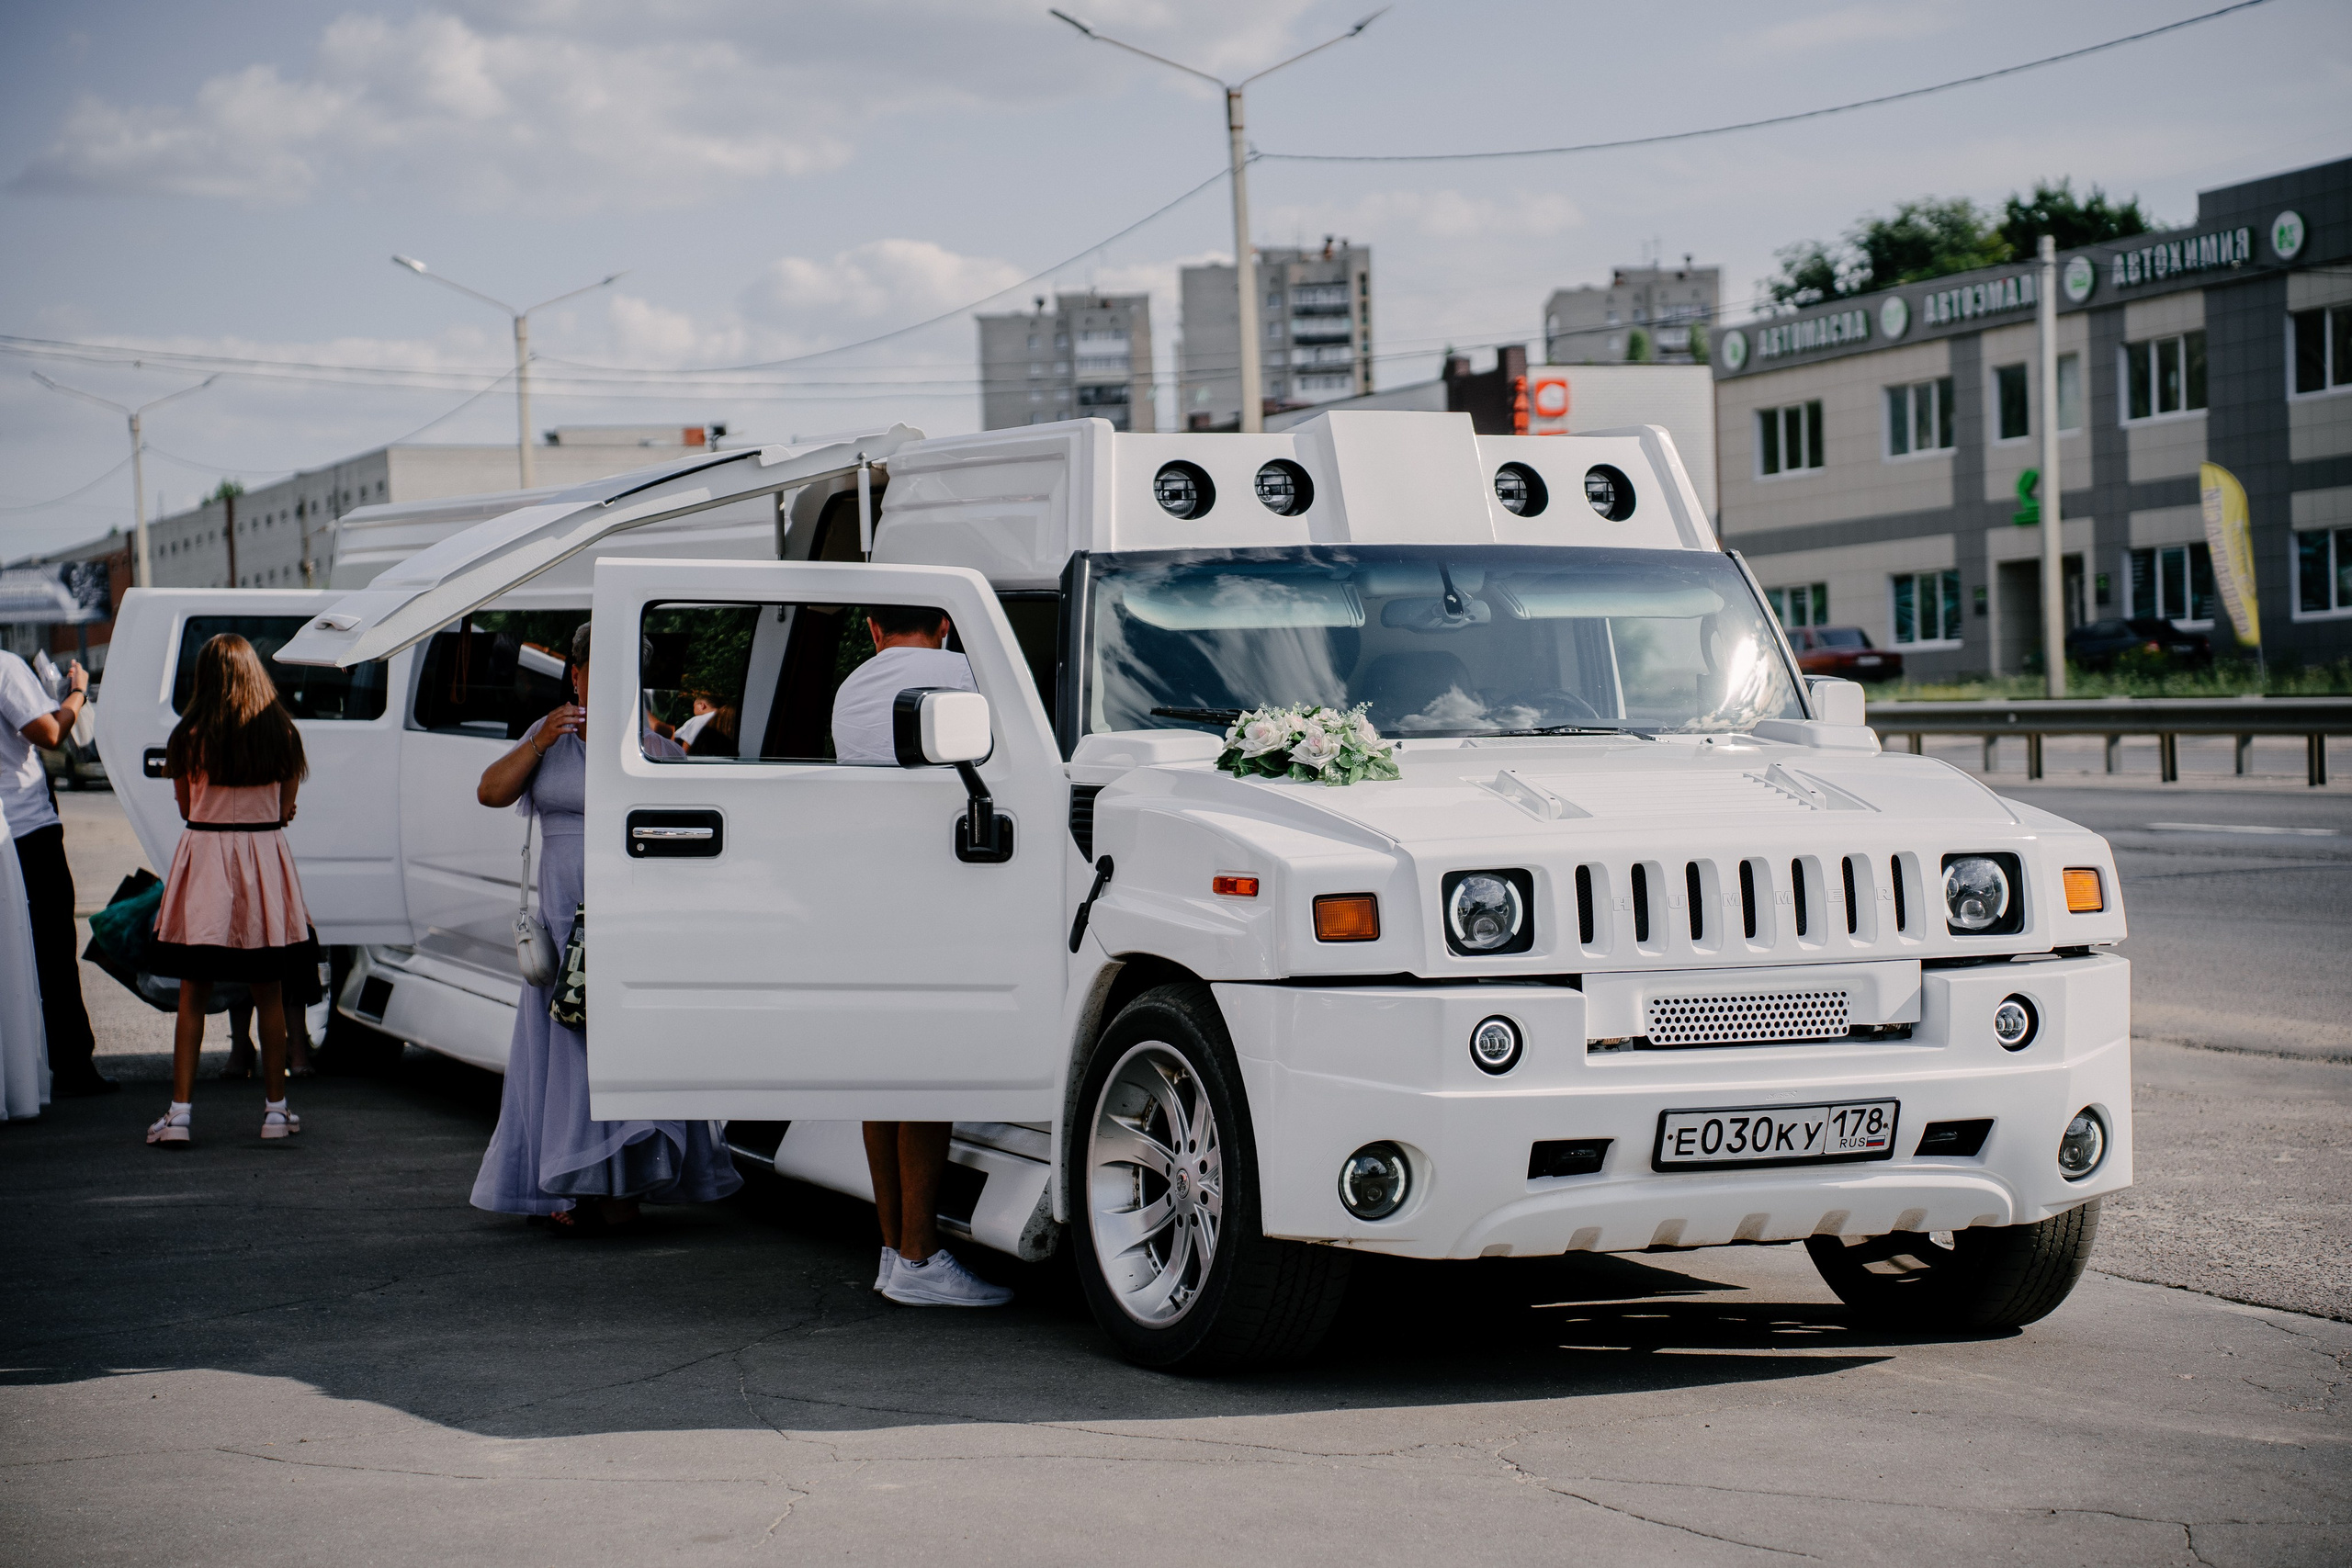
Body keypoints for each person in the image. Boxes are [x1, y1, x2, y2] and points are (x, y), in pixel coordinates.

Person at [470, 621, 740, 1235]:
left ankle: (619, 1183)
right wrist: (539, 741)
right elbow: (489, 790)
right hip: (562, 921)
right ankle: (564, 1180)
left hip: (631, 922)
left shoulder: (659, 748)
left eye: (627, 671)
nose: (610, 683)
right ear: (575, 672)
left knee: (621, 1045)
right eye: (597, 669)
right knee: (564, 1049)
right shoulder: (548, 741)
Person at [831, 604, 1012, 1308]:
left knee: (883, 1077)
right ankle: (921, 1253)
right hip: (938, 890)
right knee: (929, 1075)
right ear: (947, 622)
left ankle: (893, 1250)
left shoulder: (850, 688)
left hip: (864, 890)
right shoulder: (970, 674)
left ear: (874, 628)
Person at [143, 635, 317, 1146]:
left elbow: (184, 808)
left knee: (194, 990)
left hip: (206, 863)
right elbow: (286, 810)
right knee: (269, 991)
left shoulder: (188, 736)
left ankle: (178, 1116)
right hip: (264, 862)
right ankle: (275, 1112)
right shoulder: (282, 735)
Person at [0, 649, 109, 1097]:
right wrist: (78, 694)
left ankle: (22, 1065)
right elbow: (48, 732)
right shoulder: (5, 667)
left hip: (6, 828)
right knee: (53, 946)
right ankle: (72, 1064)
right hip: (27, 828)